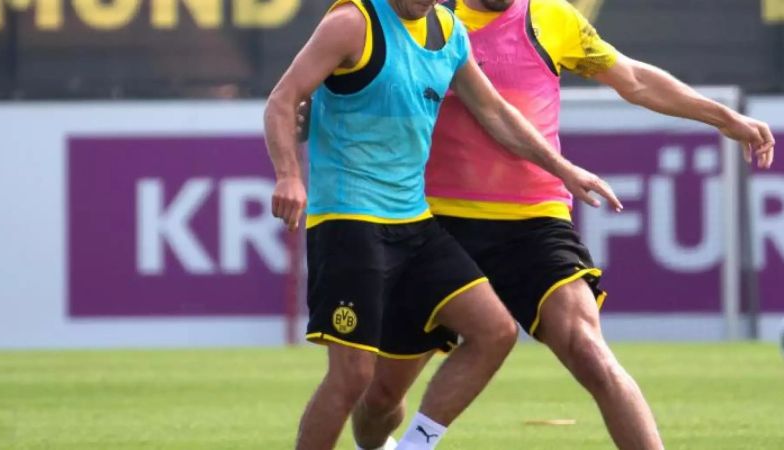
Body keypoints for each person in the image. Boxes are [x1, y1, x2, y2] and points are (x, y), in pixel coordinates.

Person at [349, 0, 776, 449]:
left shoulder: (551, 17)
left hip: (533, 222)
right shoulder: (424, 18)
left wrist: (724, 117)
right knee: (380, 396)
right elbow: (361, 80)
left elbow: (632, 79)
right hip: (434, 224)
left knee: (589, 350)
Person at [263, 0, 624, 448]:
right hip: (349, 221)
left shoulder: (449, 31)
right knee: (353, 379)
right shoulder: (352, 22)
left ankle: (415, 445)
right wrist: (289, 176)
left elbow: (494, 112)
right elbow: (283, 99)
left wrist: (563, 168)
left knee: (494, 331)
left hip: (414, 221)